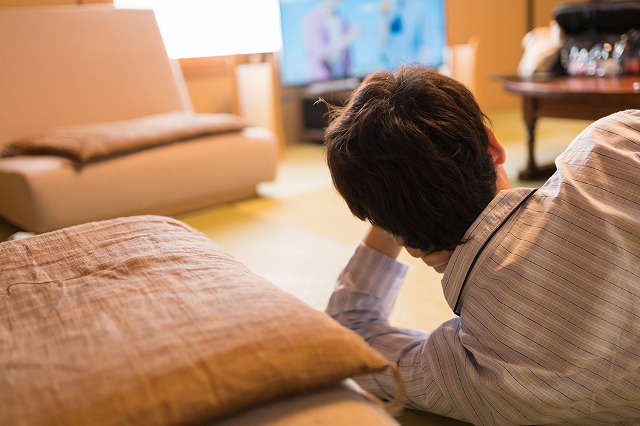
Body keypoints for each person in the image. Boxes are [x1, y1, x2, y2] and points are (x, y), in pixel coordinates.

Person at [323, 65, 640, 425]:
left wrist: (392, 203)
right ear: (494, 147)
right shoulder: (614, 145)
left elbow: (346, 339)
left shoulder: (473, 372)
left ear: (399, 235)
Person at [302, 0, 362, 81]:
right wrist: (349, 37)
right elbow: (324, 57)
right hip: (322, 85)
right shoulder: (311, 20)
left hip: (344, 82)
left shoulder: (342, 20)